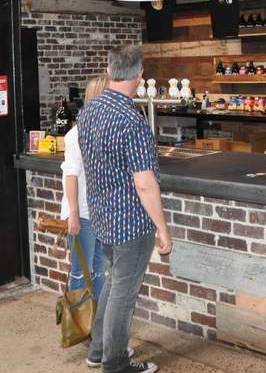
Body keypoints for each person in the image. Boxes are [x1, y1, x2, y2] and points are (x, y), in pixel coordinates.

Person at [77, 45, 172, 373]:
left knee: (114, 284)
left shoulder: (88, 111)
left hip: (102, 218)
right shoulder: (131, 119)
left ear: (110, 69)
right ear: (139, 74)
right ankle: (115, 364)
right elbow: (145, 184)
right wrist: (162, 228)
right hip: (131, 223)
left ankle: (99, 350)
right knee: (123, 293)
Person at [61, 75, 109, 301]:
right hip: (82, 214)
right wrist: (74, 214)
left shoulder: (105, 132)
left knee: (100, 270)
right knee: (81, 273)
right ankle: (78, 327)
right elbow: (70, 175)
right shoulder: (76, 135)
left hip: (99, 212)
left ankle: (96, 324)